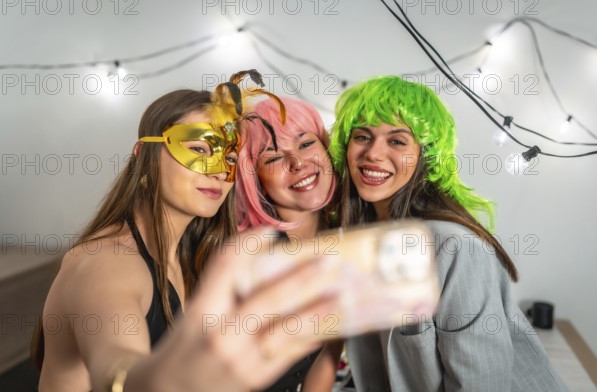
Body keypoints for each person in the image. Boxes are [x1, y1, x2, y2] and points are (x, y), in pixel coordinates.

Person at [34, 70, 348, 392]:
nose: (217, 172)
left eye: (228, 157)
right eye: (199, 150)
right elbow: (114, 362)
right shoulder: (105, 261)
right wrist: (152, 379)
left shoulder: (189, 257)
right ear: (144, 155)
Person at [328, 75, 568, 391]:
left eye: (397, 141)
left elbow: (479, 385)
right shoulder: (356, 241)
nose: (373, 153)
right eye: (362, 136)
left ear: (425, 156)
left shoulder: (454, 246)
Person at [236, 96, 344, 392]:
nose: (297, 163)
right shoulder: (245, 257)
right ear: (255, 179)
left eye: (306, 143)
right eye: (272, 158)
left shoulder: (347, 240)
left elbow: (329, 351)